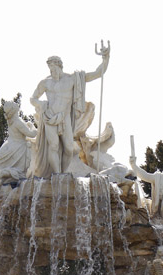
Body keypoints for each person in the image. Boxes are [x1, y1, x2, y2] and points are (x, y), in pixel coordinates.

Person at [29, 46, 109, 177]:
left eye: (54, 68)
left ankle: (63, 173)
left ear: (60, 66)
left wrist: (106, 58)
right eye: (50, 69)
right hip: (49, 117)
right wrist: (40, 104)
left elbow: (97, 73)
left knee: (69, 148)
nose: (52, 71)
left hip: (64, 117)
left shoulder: (72, 79)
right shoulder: (45, 82)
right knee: (53, 146)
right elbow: (32, 98)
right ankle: (58, 175)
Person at [0, 102, 37, 189]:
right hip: (18, 147)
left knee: (14, 173)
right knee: (20, 172)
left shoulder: (11, 121)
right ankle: (3, 174)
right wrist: (32, 126)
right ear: (15, 109)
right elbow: (31, 134)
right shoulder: (17, 121)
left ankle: (2, 176)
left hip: (9, 145)